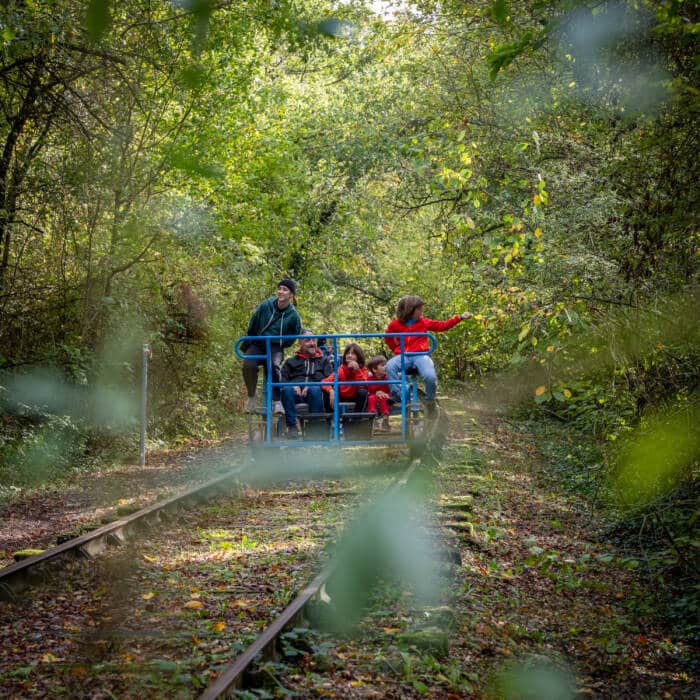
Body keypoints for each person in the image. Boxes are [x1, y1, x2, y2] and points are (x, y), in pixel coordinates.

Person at [385, 295, 471, 416]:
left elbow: (443, 326)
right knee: (389, 366)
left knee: (430, 377)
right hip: (404, 355)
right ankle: (397, 393)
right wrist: (396, 349)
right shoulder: (395, 325)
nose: (422, 311)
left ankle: (430, 401)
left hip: (421, 355)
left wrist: (460, 317)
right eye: (419, 309)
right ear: (410, 310)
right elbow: (388, 338)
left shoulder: (424, 322)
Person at [242, 279, 302, 414]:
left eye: (285, 290)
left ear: (291, 295)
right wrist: (252, 339)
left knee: (274, 367)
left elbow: (294, 334)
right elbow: (254, 322)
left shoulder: (293, 315)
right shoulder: (266, 305)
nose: (281, 292)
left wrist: (281, 344)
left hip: (275, 345)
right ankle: (251, 396)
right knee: (248, 365)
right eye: (279, 288)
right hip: (258, 342)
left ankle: (277, 401)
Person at [280, 330, 333, 438]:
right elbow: (282, 379)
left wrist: (311, 385)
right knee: (286, 390)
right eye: (307, 340)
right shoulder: (291, 361)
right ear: (300, 343)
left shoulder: (324, 361)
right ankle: (292, 426)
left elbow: (330, 379)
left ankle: (314, 428)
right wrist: (292, 385)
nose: (312, 343)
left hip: (316, 393)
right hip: (296, 394)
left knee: (314, 389)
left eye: (313, 340)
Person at [322, 342, 369, 412]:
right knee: (327, 391)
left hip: (355, 396)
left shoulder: (363, 370)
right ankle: (331, 418)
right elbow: (324, 382)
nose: (349, 356)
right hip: (341, 396)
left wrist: (357, 370)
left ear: (358, 356)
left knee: (363, 392)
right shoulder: (341, 369)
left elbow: (364, 385)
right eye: (347, 353)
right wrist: (331, 391)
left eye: (353, 354)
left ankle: (357, 419)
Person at [367, 355, 392, 431]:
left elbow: (390, 388)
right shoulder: (370, 378)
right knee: (371, 398)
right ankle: (374, 419)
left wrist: (386, 394)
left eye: (386, 365)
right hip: (374, 396)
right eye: (383, 365)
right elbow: (369, 388)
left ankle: (385, 420)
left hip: (385, 396)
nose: (386, 367)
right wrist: (377, 391)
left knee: (383, 398)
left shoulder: (387, 377)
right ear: (374, 369)